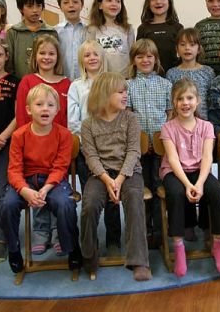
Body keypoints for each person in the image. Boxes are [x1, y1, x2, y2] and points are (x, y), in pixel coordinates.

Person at [0, 84, 82, 273]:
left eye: (51, 105)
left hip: (53, 181)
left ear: (57, 109)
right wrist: (25, 191)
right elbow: (14, 170)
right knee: (7, 204)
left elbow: (60, 167)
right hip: (26, 181)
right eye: (39, 104)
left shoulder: (64, 135)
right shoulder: (19, 135)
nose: (45, 109)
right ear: (29, 109)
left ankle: (72, 247)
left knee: (66, 204)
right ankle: (14, 249)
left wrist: (45, 189)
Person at [81, 72, 151, 281]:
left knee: (134, 200)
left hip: (129, 173)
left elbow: (133, 151)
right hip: (100, 174)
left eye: (125, 91)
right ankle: (89, 256)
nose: (125, 95)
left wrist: (119, 179)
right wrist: (106, 179)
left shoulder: (131, 119)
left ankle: (139, 261)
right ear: (104, 94)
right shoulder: (88, 124)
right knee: (89, 204)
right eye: (120, 92)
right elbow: (91, 156)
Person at [160, 78, 220, 277]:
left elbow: (207, 157)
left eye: (189, 98)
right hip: (175, 171)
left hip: (200, 169)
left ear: (197, 101)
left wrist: (199, 184)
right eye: (180, 99)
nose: (185, 103)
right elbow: (173, 159)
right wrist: (188, 184)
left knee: (216, 190)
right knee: (176, 193)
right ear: (174, 103)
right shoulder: (168, 128)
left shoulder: (206, 126)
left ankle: (217, 245)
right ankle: (179, 246)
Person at [15, 34, 71, 256]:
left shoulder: (66, 83)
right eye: (42, 53)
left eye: (51, 53)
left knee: (57, 190)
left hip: (58, 147)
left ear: (58, 57)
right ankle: (40, 230)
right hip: (33, 150)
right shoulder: (27, 81)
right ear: (35, 56)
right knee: (35, 184)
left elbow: (67, 117)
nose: (47, 57)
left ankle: (57, 230)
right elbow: (22, 118)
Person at [126, 38, 172, 249]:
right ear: (133, 60)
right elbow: (128, 114)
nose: (145, 60)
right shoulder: (128, 85)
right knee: (141, 187)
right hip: (138, 147)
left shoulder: (165, 84)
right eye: (140, 56)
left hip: (161, 146)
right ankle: (143, 231)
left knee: (158, 185)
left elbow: (170, 115)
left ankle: (160, 232)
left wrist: (164, 139)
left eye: (149, 56)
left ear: (156, 59)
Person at [67, 40, 106, 191]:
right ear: (81, 60)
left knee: (109, 190)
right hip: (85, 147)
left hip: (109, 145)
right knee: (89, 189)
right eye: (87, 55)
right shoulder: (75, 86)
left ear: (102, 57)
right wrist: (87, 143)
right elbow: (73, 121)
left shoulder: (111, 82)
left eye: (96, 54)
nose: (92, 58)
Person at [0, 38, 19, 262]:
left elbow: (19, 115)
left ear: (7, 57)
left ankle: (2, 239)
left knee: (2, 192)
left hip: (6, 143)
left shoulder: (14, 82)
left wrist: (1, 138)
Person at [6, 0, 59, 79]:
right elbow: (8, 64)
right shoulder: (13, 32)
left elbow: (57, 61)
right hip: (19, 83)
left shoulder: (51, 32)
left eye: (38, 5)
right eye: (30, 6)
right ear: (20, 8)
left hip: (46, 84)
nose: (35, 10)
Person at [85, 0, 134, 78]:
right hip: (101, 79)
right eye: (109, 0)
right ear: (100, 5)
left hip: (124, 78)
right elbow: (88, 54)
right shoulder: (92, 29)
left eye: (118, 1)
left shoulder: (128, 29)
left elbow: (132, 55)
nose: (114, 4)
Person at [166, 28, 215, 120]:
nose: (187, 48)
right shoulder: (171, 73)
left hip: (203, 122)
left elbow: (212, 101)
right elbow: (170, 102)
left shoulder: (208, 72)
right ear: (177, 49)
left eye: (192, 44)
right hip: (179, 122)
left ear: (199, 49)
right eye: (183, 44)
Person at [137, 0, 183, 73]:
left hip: (173, 73)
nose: (158, 2)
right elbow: (138, 54)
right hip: (150, 74)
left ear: (169, 1)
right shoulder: (143, 28)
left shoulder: (178, 27)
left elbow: (183, 52)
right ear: (148, 3)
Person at [55, 0, 86, 81]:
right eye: (66, 2)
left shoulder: (89, 30)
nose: (71, 5)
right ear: (60, 7)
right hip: (62, 80)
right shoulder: (55, 31)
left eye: (75, 2)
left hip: (85, 81)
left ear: (82, 5)